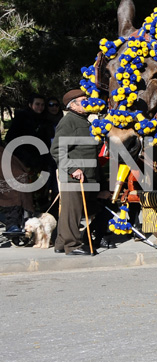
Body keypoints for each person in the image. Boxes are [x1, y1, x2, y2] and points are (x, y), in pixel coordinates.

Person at [50, 89, 111, 255]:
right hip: (74, 175)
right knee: (73, 211)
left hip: (88, 175)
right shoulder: (69, 121)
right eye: (83, 100)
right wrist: (72, 169)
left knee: (72, 211)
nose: (87, 103)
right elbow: (57, 149)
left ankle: (61, 243)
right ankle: (73, 245)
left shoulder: (84, 121)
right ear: (73, 105)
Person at [4, 93, 51, 173]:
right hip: (23, 161)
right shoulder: (21, 118)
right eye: (37, 104)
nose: (40, 107)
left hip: (41, 161)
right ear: (30, 105)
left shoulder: (45, 119)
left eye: (42, 105)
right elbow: (10, 138)